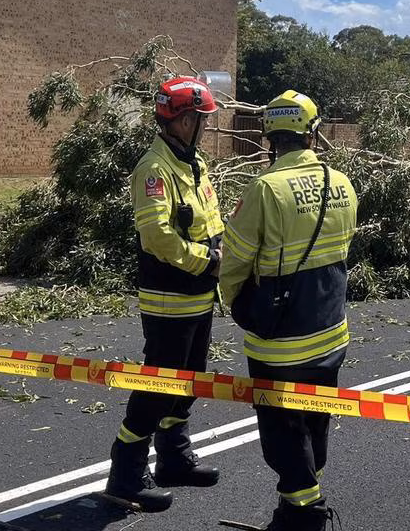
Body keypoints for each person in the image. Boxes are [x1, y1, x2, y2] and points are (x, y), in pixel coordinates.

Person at [220, 90, 358, 531]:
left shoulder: (264, 189)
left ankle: (305, 516)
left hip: (280, 343)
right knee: (315, 423)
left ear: (270, 137)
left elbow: (235, 260)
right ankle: (292, 509)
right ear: (312, 133)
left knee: (283, 433)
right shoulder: (342, 183)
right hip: (330, 330)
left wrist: (238, 304)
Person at [104, 76, 223, 512]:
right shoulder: (154, 169)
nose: (206, 127)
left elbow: (206, 219)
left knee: (189, 380)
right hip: (169, 296)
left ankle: (173, 456)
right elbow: (157, 237)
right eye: (201, 119)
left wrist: (224, 250)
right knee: (157, 384)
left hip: (199, 294)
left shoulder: (192, 162)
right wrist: (207, 261)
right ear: (183, 119)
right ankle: (126, 471)